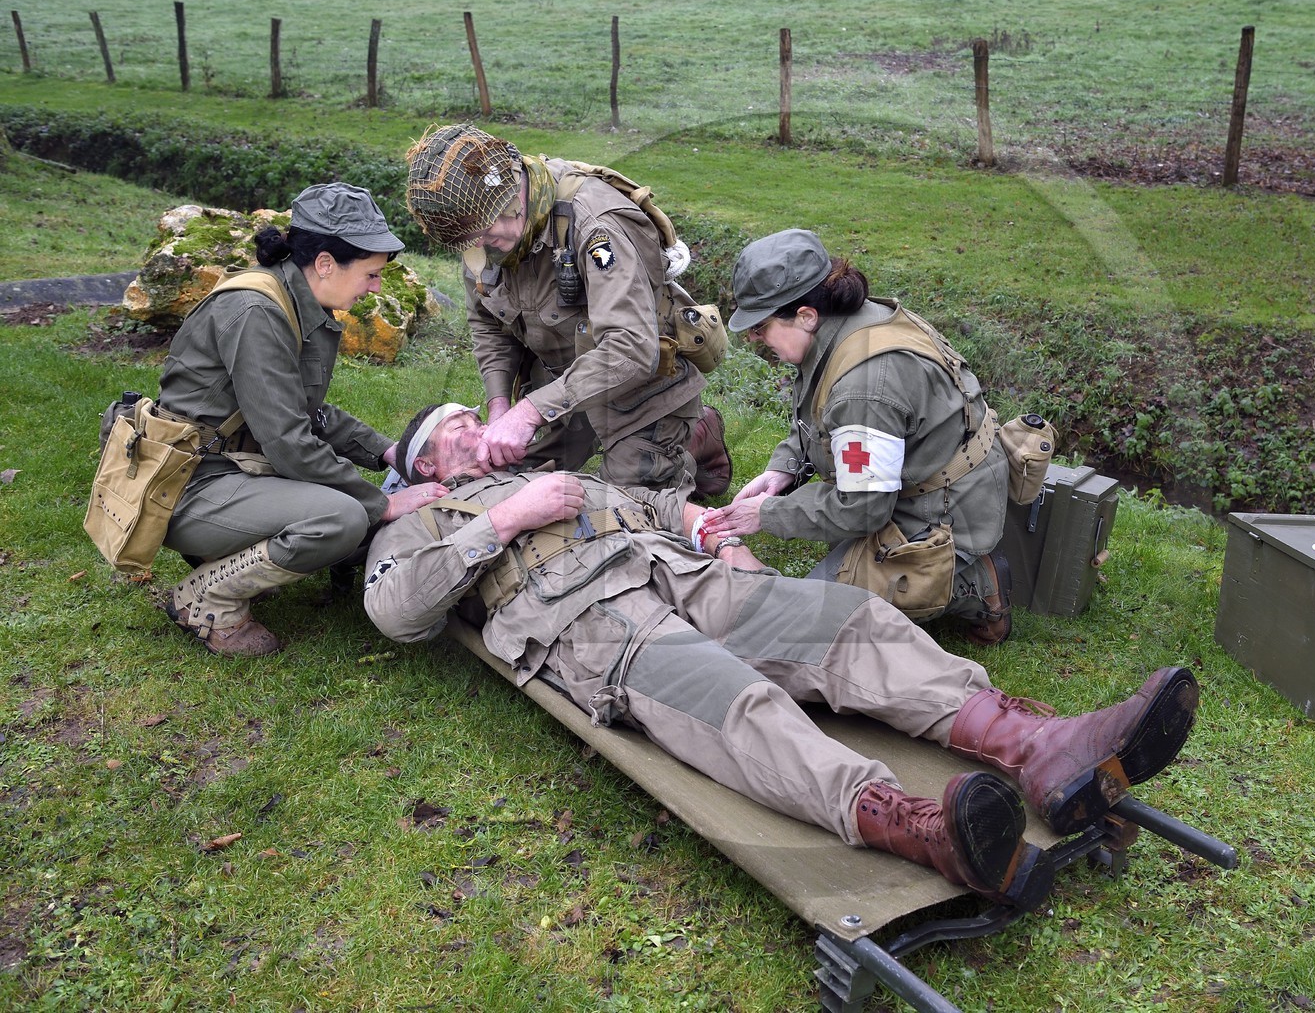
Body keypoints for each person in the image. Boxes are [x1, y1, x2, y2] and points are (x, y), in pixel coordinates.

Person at [363, 404, 1200, 903]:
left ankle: (1036, 746)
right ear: (425, 460)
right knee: (730, 700)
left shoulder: (551, 475)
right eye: (457, 431)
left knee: (840, 618)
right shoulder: (420, 517)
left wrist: (700, 525)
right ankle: (916, 828)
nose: (476, 430)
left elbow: (650, 502)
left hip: (682, 575)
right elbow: (397, 610)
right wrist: (505, 519)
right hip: (589, 622)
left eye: (477, 419)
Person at [159, 183, 449, 657]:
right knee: (342, 518)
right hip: (187, 488)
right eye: (371, 274)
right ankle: (207, 598)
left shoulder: (293, 301)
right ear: (326, 263)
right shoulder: (257, 311)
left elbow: (303, 410)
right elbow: (288, 440)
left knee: (343, 499)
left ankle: (229, 553)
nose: (376, 286)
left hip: (228, 468)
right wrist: (380, 503)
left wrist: (386, 452)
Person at [701, 229, 1014, 645]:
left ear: (807, 315)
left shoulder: (864, 385)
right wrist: (784, 471)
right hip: (910, 481)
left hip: (939, 509)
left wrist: (768, 514)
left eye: (761, 326)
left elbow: (864, 510)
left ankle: (972, 582)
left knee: (806, 626)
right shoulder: (844, 326)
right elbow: (821, 417)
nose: (753, 338)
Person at [402, 123, 728, 500]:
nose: (478, 246)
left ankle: (696, 434)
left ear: (511, 198)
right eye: (468, 240)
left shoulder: (597, 226)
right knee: (507, 483)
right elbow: (488, 326)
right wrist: (500, 408)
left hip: (642, 386)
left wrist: (529, 414)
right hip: (561, 383)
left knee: (629, 506)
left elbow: (632, 348)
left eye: (485, 233)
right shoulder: (477, 227)